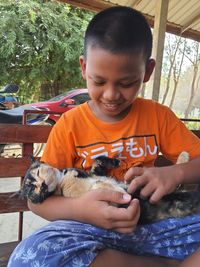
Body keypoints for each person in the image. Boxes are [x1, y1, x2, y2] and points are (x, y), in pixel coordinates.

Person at [8, 6, 200, 267]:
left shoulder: (158, 116)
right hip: (91, 231)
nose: (111, 94)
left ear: (147, 71)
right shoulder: (70, 124)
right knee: (29, 257)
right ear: (84, 68)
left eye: (126, 83)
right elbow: (36, 202)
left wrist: (175, 174)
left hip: (153, 226)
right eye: (99, 82)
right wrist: (82, 210)